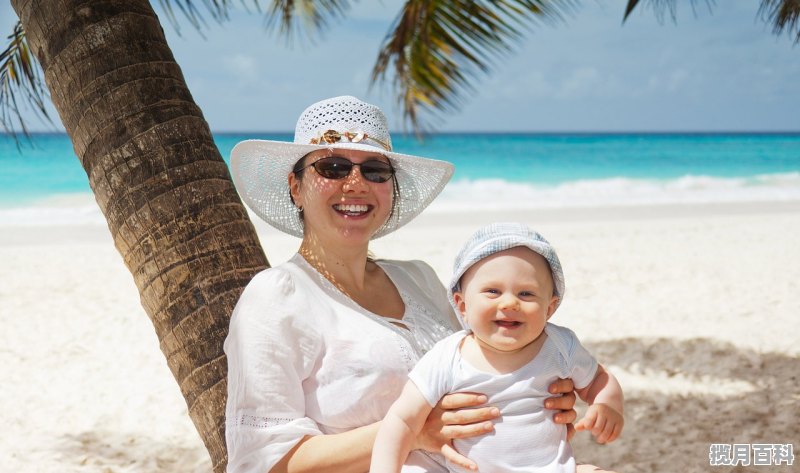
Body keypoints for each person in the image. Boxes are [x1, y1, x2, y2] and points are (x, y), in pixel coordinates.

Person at [224, 96, 579, 473]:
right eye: (333, 167)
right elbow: (263, 461)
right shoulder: (276, 296)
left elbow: (487, 362)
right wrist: (415, 430)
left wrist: (540, 393)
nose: (356, 184)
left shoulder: (419, 278)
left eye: (375, 170)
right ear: (296, 187)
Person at [371, 223, 624, 473]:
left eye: (526, 294)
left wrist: (607, 405)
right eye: (493, 291)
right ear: (462, 305)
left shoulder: (560, 345)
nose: (510, 303)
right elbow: (402, 421)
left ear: (550, 307)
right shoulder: (448, 357)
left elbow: (599, 379)